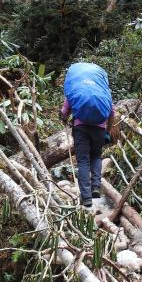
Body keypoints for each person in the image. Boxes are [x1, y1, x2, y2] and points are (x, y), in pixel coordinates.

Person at [60, 63, 115, 208]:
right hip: (99, 129)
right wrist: (108, 132)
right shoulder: (103, 90)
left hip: (81, 128)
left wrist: (64, 117)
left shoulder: (76, 87)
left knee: (83, 161)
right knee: (96, 156)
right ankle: (95, 187)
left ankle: (86, 198)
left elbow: (65, 111)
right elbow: (112, 112)